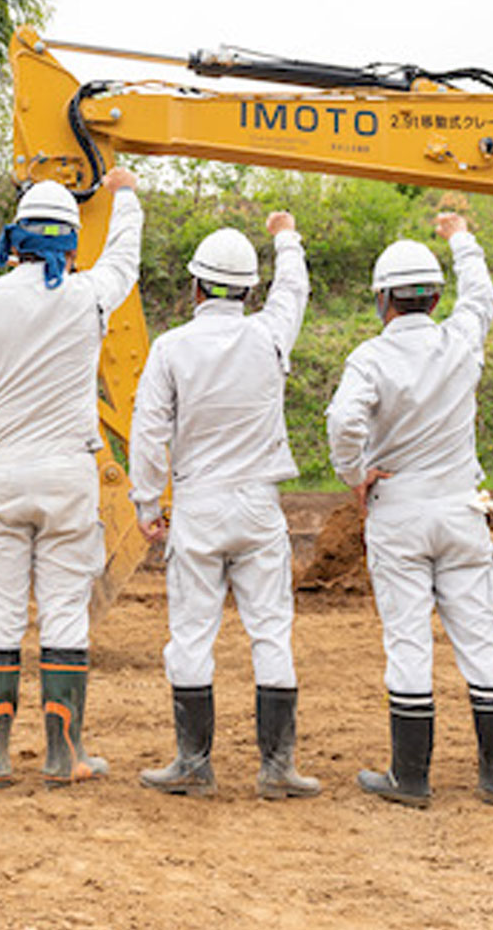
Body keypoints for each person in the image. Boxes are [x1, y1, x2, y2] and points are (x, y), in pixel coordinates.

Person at [0, 167, 143, 788]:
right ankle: (63, 755)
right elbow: (124, 255)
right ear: (71, 245)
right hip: (69, 478)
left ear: (14, 240)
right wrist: (124, 196)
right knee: (65, 612)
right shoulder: (90, 295)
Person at [130, 212, 319, 801]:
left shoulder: (171, 347)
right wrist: (287, 234)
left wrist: (145, 502)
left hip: (199, 504)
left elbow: (148, 430)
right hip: (260, 505)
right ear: (247, 291)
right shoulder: (268, 335)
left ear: (194, 288)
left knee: (190, 635)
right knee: (270, 632)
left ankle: (193, 764)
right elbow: (295, 288)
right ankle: (278, 768)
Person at [326, 212, 493, 808]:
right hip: (462, 507)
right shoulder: (461, 342)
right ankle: (492, 776)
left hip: (398, 510)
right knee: (481, 642)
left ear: (382, 299)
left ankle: (411, 778)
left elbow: (342, 420)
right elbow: (481, 294)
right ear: (434, 296)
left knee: (409, 643)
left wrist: (355, 475)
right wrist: (461, 235)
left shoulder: (370, 358)